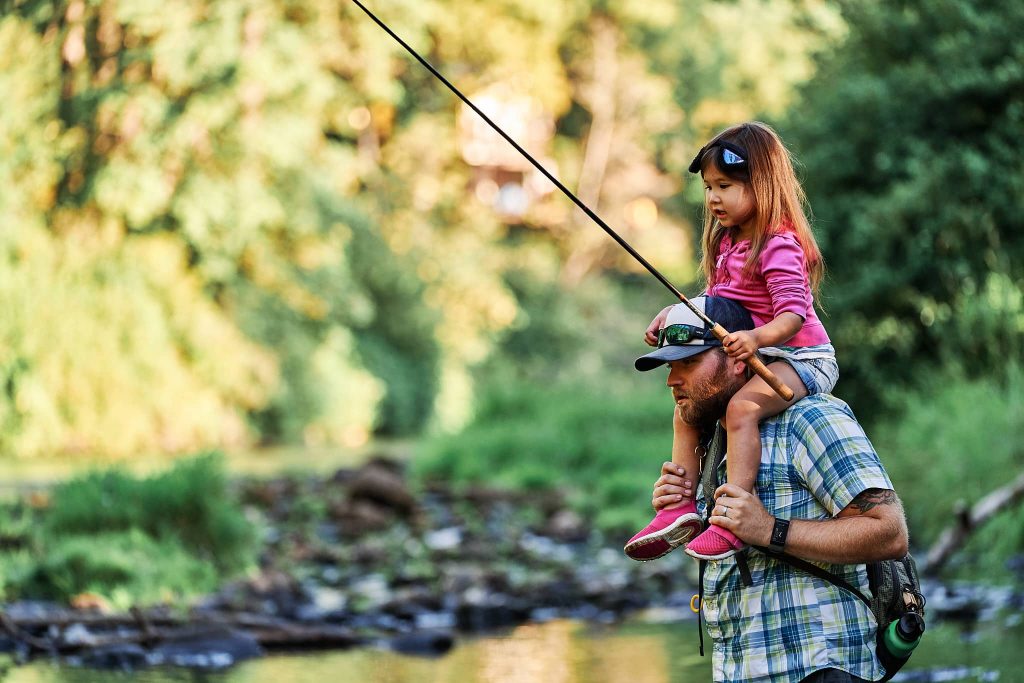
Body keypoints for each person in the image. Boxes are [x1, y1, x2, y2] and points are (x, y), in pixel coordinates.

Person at [634, 295, 908, 682]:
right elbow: (737, 565)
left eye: (689, 363)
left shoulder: (812, 418)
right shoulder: (711, 442)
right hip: (740, 671)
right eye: (669, 366)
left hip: (822, 669)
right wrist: (686, 514)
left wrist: (769, 529)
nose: (672, 380)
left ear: (737, 357)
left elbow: (889, 532)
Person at [625, 121, 838, 562]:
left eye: (724, 185)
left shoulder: (779, 244)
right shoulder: (727, 243)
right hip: (762, 351)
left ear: (760, 183)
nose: (713, 197)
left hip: (803, 356)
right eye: (708, 187)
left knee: (741, 409)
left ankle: (733, 519)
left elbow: (793, 315)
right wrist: (672, 314)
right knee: (687, 415)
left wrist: (755, 337)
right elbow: (719, 302)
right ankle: (679, 507)